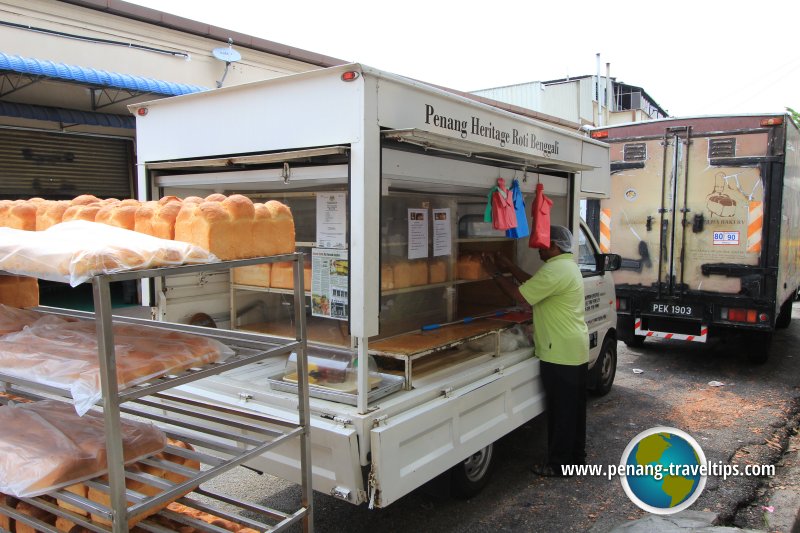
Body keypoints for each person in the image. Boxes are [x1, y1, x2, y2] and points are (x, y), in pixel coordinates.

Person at [483, 225, 589, 477]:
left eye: (542, 244)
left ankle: (558, 465)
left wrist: (495, 273)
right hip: (574, 348)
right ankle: (575, 457)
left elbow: (521, 296)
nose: (538, 249)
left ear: (554, 245)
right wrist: (510, 267)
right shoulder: (566, 266)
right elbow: (535, 284)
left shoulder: (555, 270)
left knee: (560, 411)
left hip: (560, 352)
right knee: (573, 410)